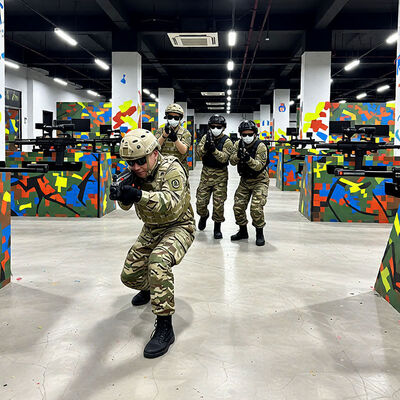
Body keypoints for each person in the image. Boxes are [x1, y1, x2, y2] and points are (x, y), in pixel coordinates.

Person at [109, 128, 195, 358]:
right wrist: (123, 193)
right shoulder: (134, 173)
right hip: (151, 228)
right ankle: (151, 289)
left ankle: (165, 327)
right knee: (129, 276)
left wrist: (139, 195)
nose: (136, 167)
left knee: (158, 262)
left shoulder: (172, 168)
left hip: (179, 225)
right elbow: (125, 206)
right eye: (130, 163)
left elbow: (172, 202)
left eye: (140, 161)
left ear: (154, 153)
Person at [230, 120, 269, 246]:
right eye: (244, 134)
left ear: (255, 134)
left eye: (250, 134)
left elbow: (258, 166)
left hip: (260, 180)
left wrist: (248, 159)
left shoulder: (261, 146)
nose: (247, 137)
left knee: (256, 208)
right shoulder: (238, 144)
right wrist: (238, 156)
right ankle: (243, 231)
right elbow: (232, 161)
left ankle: (259, 233)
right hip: (245, 180)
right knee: (238, 206)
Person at [196, 114, 234, 239]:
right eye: (213, 126)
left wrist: (214, 150)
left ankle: (217, 227)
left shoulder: (227, 141)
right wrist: (205, 148)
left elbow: (225, 158)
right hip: (206, 174)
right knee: (200, 202)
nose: (215, 129)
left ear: (223, 127)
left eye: (218, 126)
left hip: (220, 176)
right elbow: (198, 153)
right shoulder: (205, 137)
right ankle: (204, 215)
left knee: (218, 204)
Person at [154, 103, 192, 172]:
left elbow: (183, 151)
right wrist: (163, 136)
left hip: (179, 168)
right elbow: (154, 147)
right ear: (166, 117)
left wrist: (175, 139)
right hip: (162, 168)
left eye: (176, 118)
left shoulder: (185, 133)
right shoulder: (160, 131)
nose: (173, 119)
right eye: (170, 117)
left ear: (180, 119)